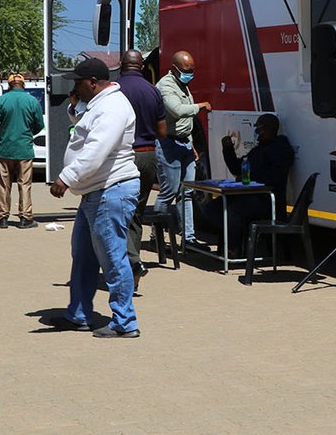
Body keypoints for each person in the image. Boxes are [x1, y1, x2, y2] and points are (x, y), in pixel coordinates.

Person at [49, 57, 142, 338]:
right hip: (96, 192)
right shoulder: (99, 105)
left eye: (78, 82)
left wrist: (67, 177)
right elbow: (83, 131)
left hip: (109, 191)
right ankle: (78, 313)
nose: (75, 86)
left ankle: (125, 322)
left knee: (113, 257)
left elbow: (97, 149)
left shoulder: (112, 106)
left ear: (92, 83)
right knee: (84, 255)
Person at [203, 113, 295, 257]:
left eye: (259, 129)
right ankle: (234, 239)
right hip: (248, 194)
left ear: (269, 129)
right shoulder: (258, 149)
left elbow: (275, 177)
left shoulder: (281, 150)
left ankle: (234, 249)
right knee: (213, 207)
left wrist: (250, 177)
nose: (257, 133)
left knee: (233, 210)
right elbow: (237, 168)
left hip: (267, 199)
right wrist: (228, 149)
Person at [115, 50, 166, 289]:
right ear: (142, 65)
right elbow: (162, 131)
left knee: (115, 212)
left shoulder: (113, 89)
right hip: (147, 156)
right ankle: (133, 268)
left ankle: (125, 265)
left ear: (121, 65)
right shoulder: (153, 90)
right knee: (136, 212)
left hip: (121, 156)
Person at [154, 50, 210, 246]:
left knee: (187, 193)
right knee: (168, 192)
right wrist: (200, 106)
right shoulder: (166, 86)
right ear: (174, 69)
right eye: (186, 70)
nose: (190, 74)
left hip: (184, 144)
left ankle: (189, 237)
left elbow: (184, 126)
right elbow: (177, 111)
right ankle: (157, 236)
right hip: (168, 144)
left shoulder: (183, 84)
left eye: (192, 71)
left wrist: (191, 144)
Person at [0, 72, 43, 229]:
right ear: (23, 85)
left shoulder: (2, 100)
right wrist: (27, 133)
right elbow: (39, 125)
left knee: (3, 184)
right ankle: (25, 218)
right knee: (24, 184)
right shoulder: (32, 101)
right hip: (24, 149)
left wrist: (4, 131)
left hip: (5, 148)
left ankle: (2, 218)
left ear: (9, 85)